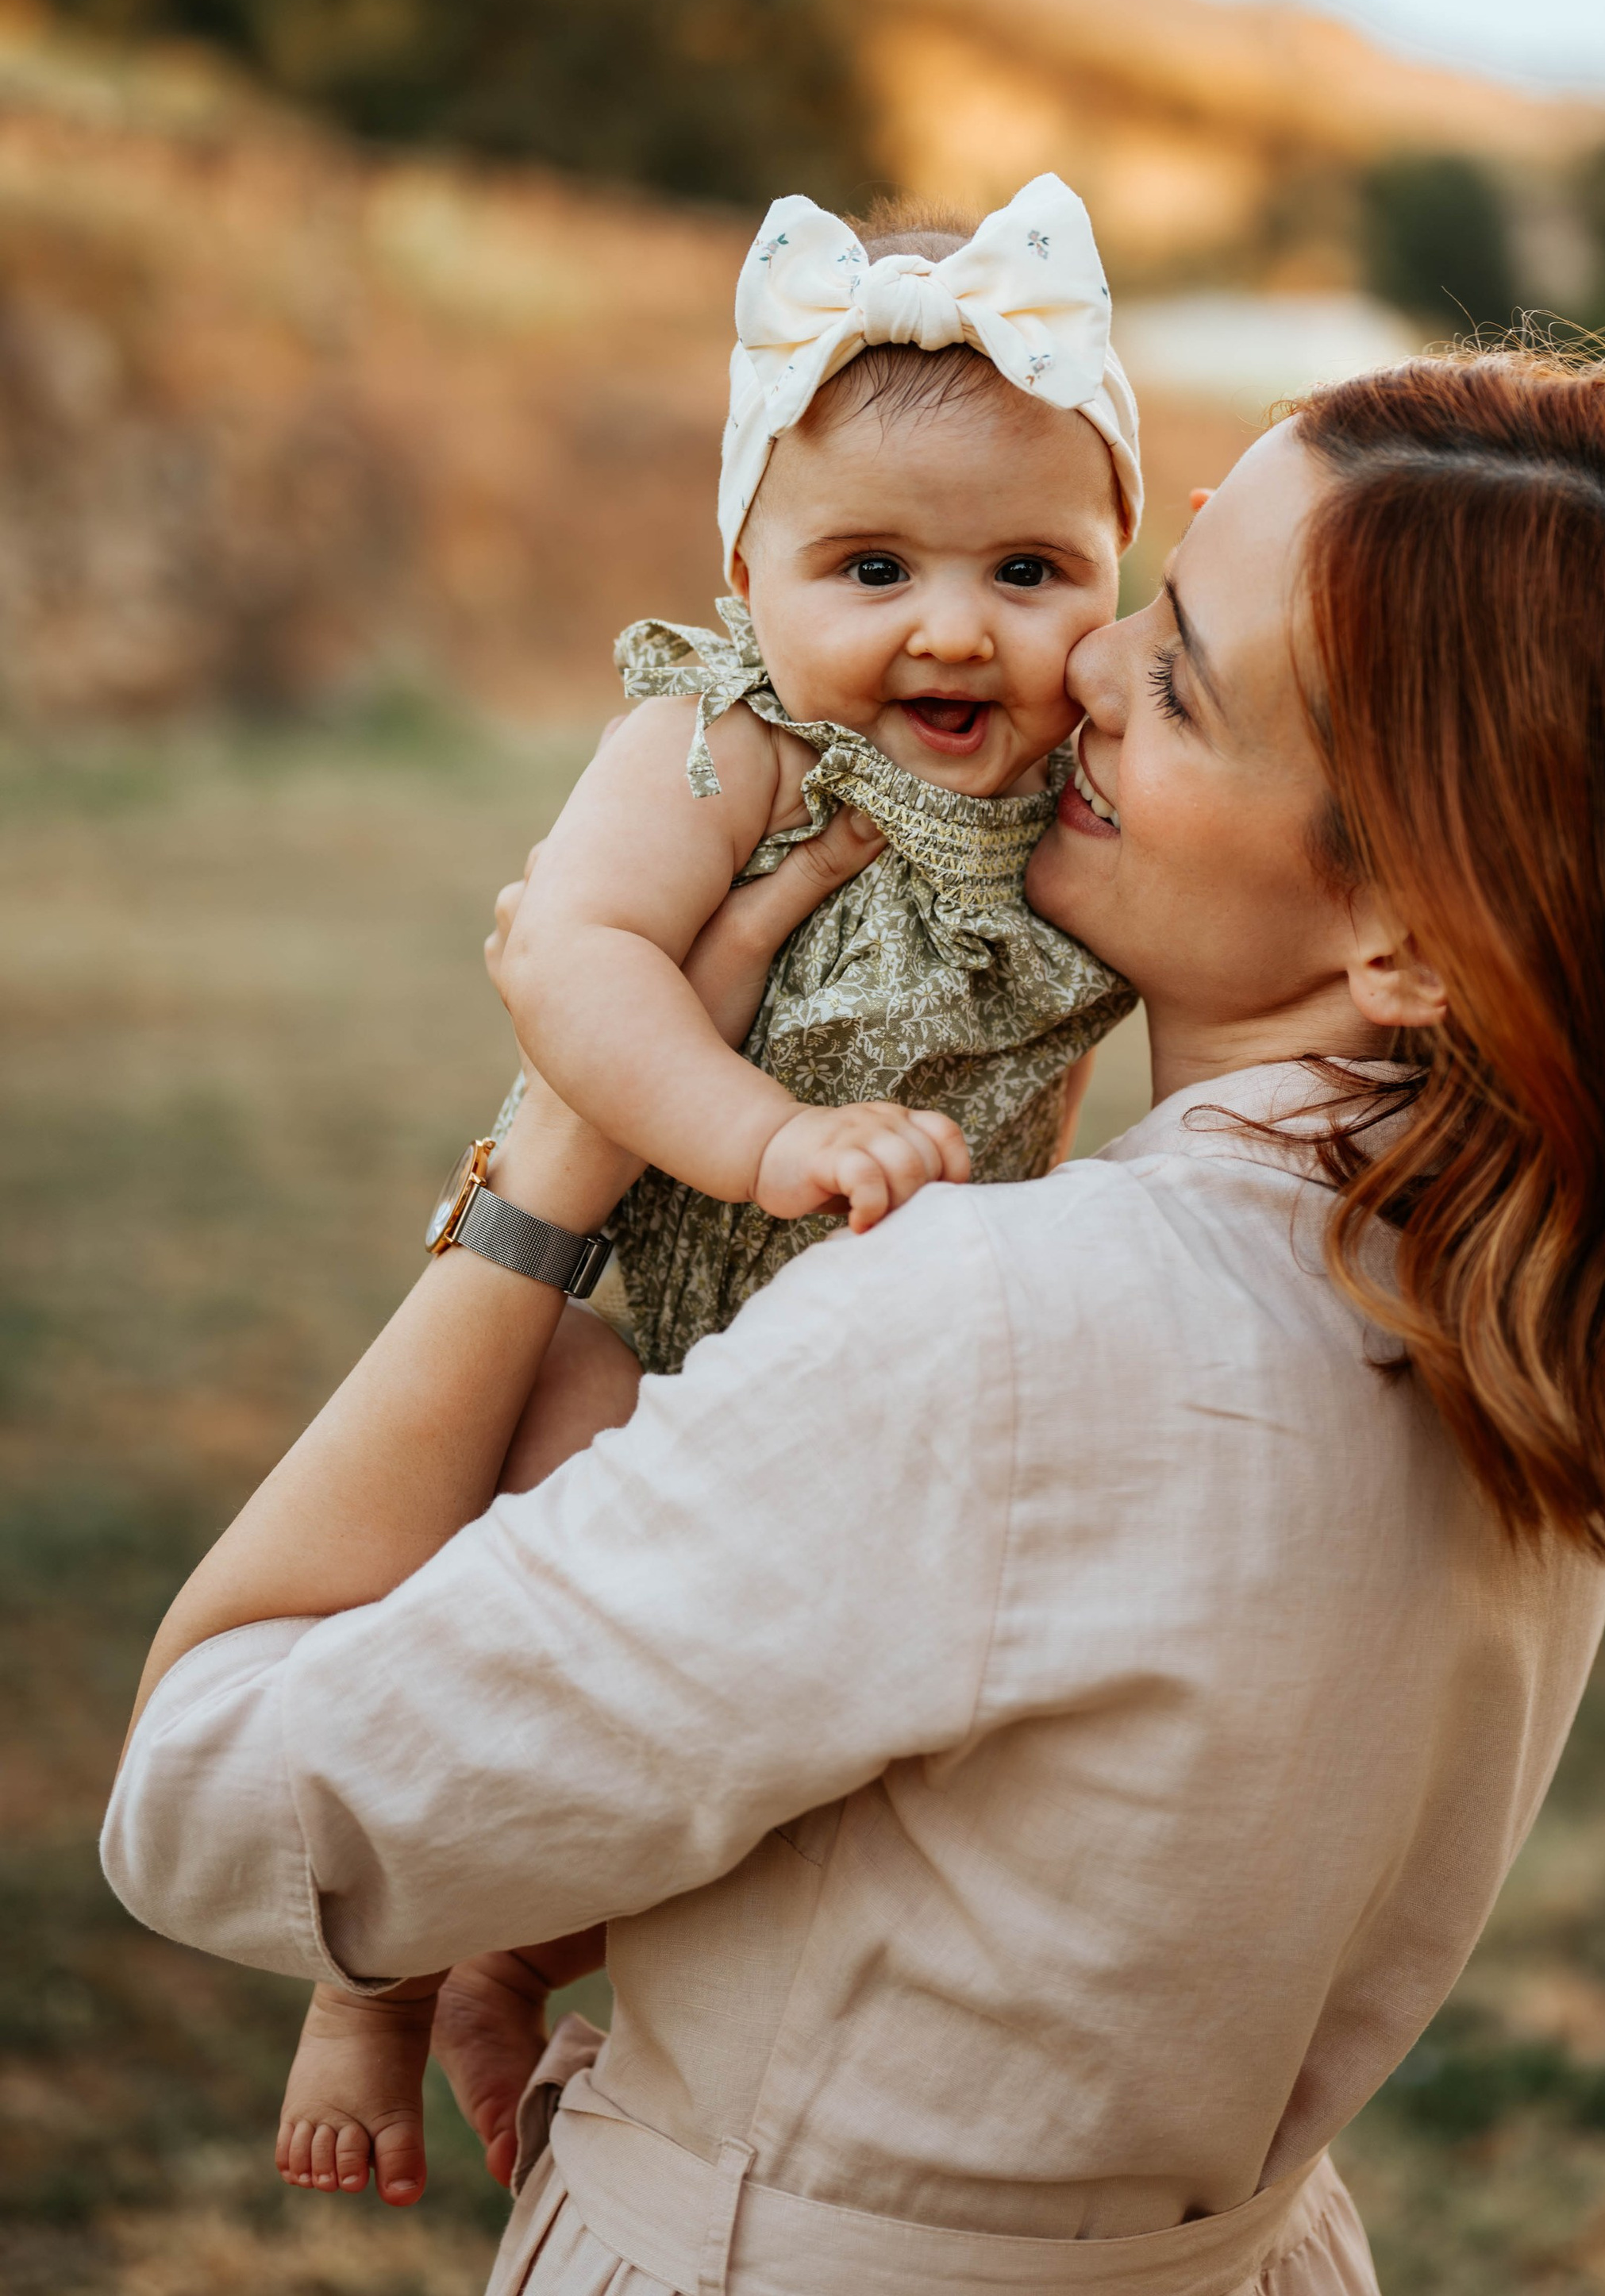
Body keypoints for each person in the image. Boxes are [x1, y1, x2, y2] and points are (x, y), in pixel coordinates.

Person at [105, 348, 1605, 2296]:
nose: (1075, 667)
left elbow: (219, 1803)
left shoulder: (994, 1327)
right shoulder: (1543, 1293)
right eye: (1147, 596)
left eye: (1177, 678)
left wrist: (552, 1157)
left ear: (1409, 935)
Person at [264, 168, 1145, 2195]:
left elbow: (1063, 1061)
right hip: (642, 1290)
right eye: (866, 566)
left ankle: (524, 1957)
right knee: (541, 1595)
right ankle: (374, 1979)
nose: (951, 626)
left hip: (873, 1327)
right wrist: (765, 1135)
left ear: (1117, 569)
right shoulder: (722, 735)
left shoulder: (1078, 796)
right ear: (743, 569)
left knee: (751, 1712)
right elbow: (567, 956)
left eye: (1029, 566)